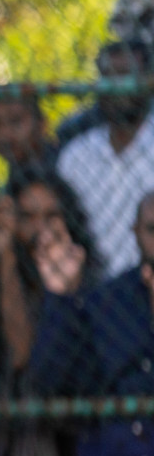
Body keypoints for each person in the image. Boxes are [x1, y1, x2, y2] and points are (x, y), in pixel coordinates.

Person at [0, 167, 102, 456]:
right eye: (28, 217)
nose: (41, 230)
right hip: (22, 424)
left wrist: (66, 292)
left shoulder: (89, 276)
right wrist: (5, 257)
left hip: (82, 425)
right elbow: (19, 355)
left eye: (51, 216)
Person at [30, 191, 154, 456]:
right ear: (135, 233)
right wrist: (60, 296)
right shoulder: (108, 301)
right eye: (152, 229)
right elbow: (51, 382)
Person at [57, 40, 154, 278]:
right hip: (91, 288)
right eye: (107, 76)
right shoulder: (77, 155)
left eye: (125, 75)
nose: (116, 88)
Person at [0, 92, 59, 182]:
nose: (4, 133)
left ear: (42, 125)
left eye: (15, 121)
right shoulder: (18, 168)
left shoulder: (62, 164)